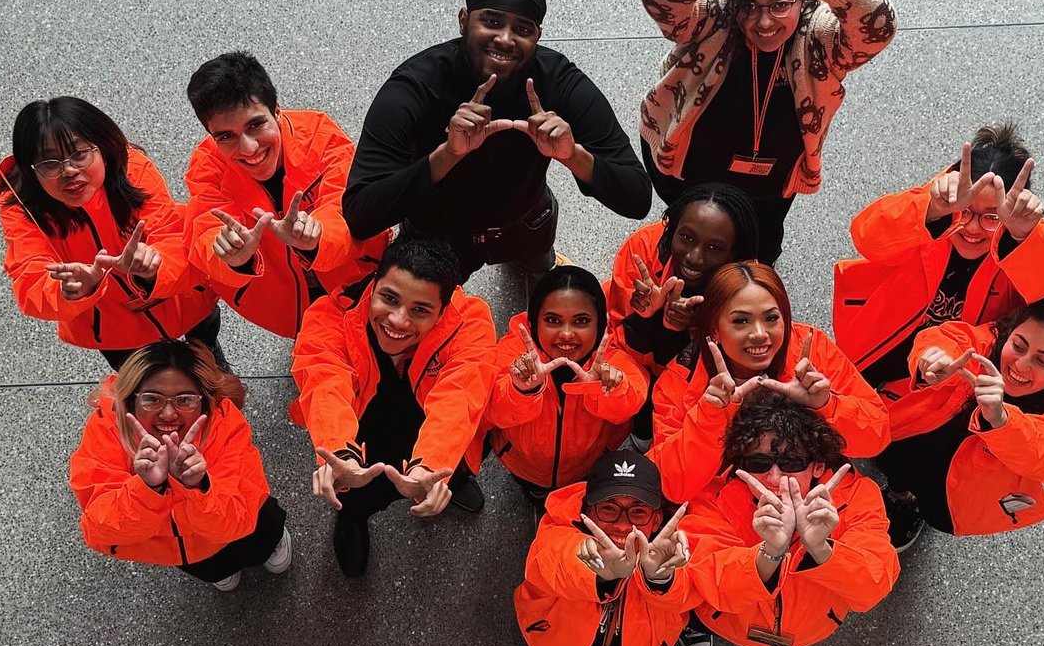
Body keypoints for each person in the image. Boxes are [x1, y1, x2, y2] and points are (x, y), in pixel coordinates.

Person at [342, 0, 652, 281]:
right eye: (491, 21)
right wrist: (447, 155)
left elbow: (637, 198)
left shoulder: (558, 81)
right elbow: (360, 214)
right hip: (436, 235)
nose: (505, 39)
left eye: (522, 29)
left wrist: (573, 155)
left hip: (526, 222)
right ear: (464, 20)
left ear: (538, 36)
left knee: (537, 264)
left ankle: (534, 267)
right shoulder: (415, 87)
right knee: (436, 308)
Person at [639, 0, 898, 263]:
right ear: (735, 0)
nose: (764, 23)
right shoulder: (716, 17)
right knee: (685, 255)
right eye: (751, 6)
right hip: (686, 172)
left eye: (780, 5)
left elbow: (880, 26)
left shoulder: (818, 38)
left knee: (757, 257)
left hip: (769, 190)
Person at [291, 234, 497, 577]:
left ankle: (451, 479)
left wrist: (430, 467)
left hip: (436, 433)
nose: (398, 321)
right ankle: (352, 515)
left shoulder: (470, 322)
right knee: (359, 487)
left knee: (456, 459)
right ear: (373, 284)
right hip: (366, 431)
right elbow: (326, 386)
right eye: (389, 298)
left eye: (420, 310)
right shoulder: (329, 316)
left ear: (444, 311)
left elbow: (459, 398)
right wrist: (342, 454)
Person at [833, 123, 1044, 403]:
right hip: (874, 347)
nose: (973, 229)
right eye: (965, 212)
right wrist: (933, 209)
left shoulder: (1025, 238)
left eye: (992, 217)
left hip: (950, 374)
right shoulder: (934, 205)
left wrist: (1024, 236)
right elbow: (866, 236)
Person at [0, 97, 221, 368]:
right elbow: (30, 278)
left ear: (102, 147)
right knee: (141, 380)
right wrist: (69, 290)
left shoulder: (133, 168)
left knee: (205, 338)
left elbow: (169, 230)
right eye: (50, 162)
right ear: (31, 169)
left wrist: (156, 263)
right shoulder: (20, 206)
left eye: (79, 154)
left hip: (181, 297)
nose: (68, 171)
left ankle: (212, 358)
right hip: (112, 328)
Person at [682, 392, 899, 646]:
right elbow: (708, 584)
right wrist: (768, 554)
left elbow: (873, 587)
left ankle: (784, 640)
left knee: (789, 636)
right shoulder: (712, 500)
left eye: (791, 463)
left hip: (809, 625)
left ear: (819, 465)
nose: (774, 478)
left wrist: (822, 550)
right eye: (759, 464)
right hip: (731, 622)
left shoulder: (857, 496)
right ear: (741, 465)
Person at [184, 51, 391, 340]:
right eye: (226, 136)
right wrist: (234, 256)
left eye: (255, 125)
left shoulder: (321, 136)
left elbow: (346, 205)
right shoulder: (207, 165)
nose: (248, 149)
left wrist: (316, 238)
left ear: (278, 112)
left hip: (355, 279)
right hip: (280, 301)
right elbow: (204, 231)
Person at [651, 260, 889, 504]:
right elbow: (670, 486)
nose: (759, 333)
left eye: (771, 318)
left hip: (816, 495)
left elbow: (877, 438)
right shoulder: (679, 379)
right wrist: (711, 416)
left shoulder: (810, 348)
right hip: (724, 509)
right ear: (714, 330)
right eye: (741, 321)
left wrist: (826, 405)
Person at [875, 293, 1044, 550]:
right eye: (1019, 346)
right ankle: (899, 494)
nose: (1021, 365)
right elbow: (950, 338)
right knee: (896, 461)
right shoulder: (992, 338)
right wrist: (932, 358)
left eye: (1043, 361)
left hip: (971, 484)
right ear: (1011, 330)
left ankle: (909, 503)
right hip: (924, 434)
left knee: (937, 510)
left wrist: (1001, 420)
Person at [69, 340, 291, 591]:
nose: (168, 414)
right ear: (130, 399)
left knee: (259, 540)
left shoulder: (225, 423)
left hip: (239, 527)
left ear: (204, 400)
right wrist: (147, 489)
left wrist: (198, 486)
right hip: (176, 549)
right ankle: (219, 568)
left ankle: (269, 546)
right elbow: (100, 531)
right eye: (152, 399)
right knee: (209, 565)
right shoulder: (106, 429)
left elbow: (239, 518)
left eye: (184, 400)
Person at [515, 450, 697, 646]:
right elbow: (550, 561)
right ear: (587, 511)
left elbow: (690, 597)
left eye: (638, 512)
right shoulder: (558, 528)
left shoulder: (675, 548)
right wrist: (600, 573)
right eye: (609, 509)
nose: (622, 524)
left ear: (656, 520)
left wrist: (660, 578)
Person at [484, 265, 648, 500]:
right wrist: (523, 389)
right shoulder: (511, 353)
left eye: (581, 321)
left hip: (585, 469)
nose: (567, 334)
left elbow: (631, 404)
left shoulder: (612, 362)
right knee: (533, 492)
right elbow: (492, 413)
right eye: (553, 320)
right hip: (523, 467)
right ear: (534, 322)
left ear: (600, 324)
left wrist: (603, 389)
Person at [608, 181, 764, 383]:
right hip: (634, 367)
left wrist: (693, 325)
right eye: (686, 238)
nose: (694, 257)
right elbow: (616, 346)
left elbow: (731, 362)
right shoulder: (643, 248)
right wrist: (644, 318)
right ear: (672, 229)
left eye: (714, 248)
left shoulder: (747, 283)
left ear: (734, 253)